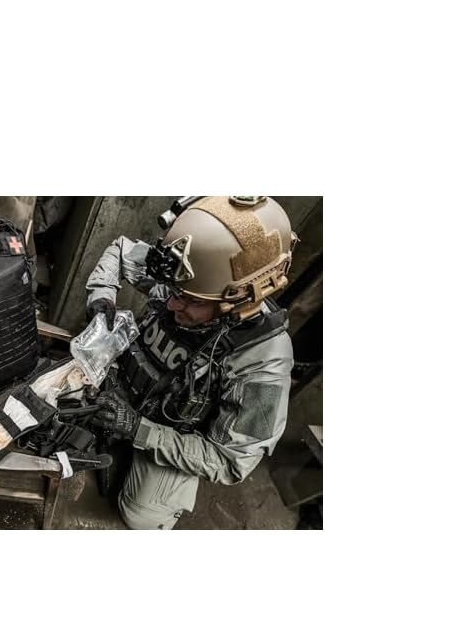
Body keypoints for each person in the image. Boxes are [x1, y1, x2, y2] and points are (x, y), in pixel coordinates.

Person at [83, 196, 298, 530]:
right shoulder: (189, 275)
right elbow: (121, 250)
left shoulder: (263, 364)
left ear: (234, 302)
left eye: (189, 300)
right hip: (125, 386)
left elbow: (230, 461)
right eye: (173, 290)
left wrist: (138, 430)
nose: (171, 303)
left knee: (140, 517)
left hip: (171, 431)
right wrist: (101, 297)